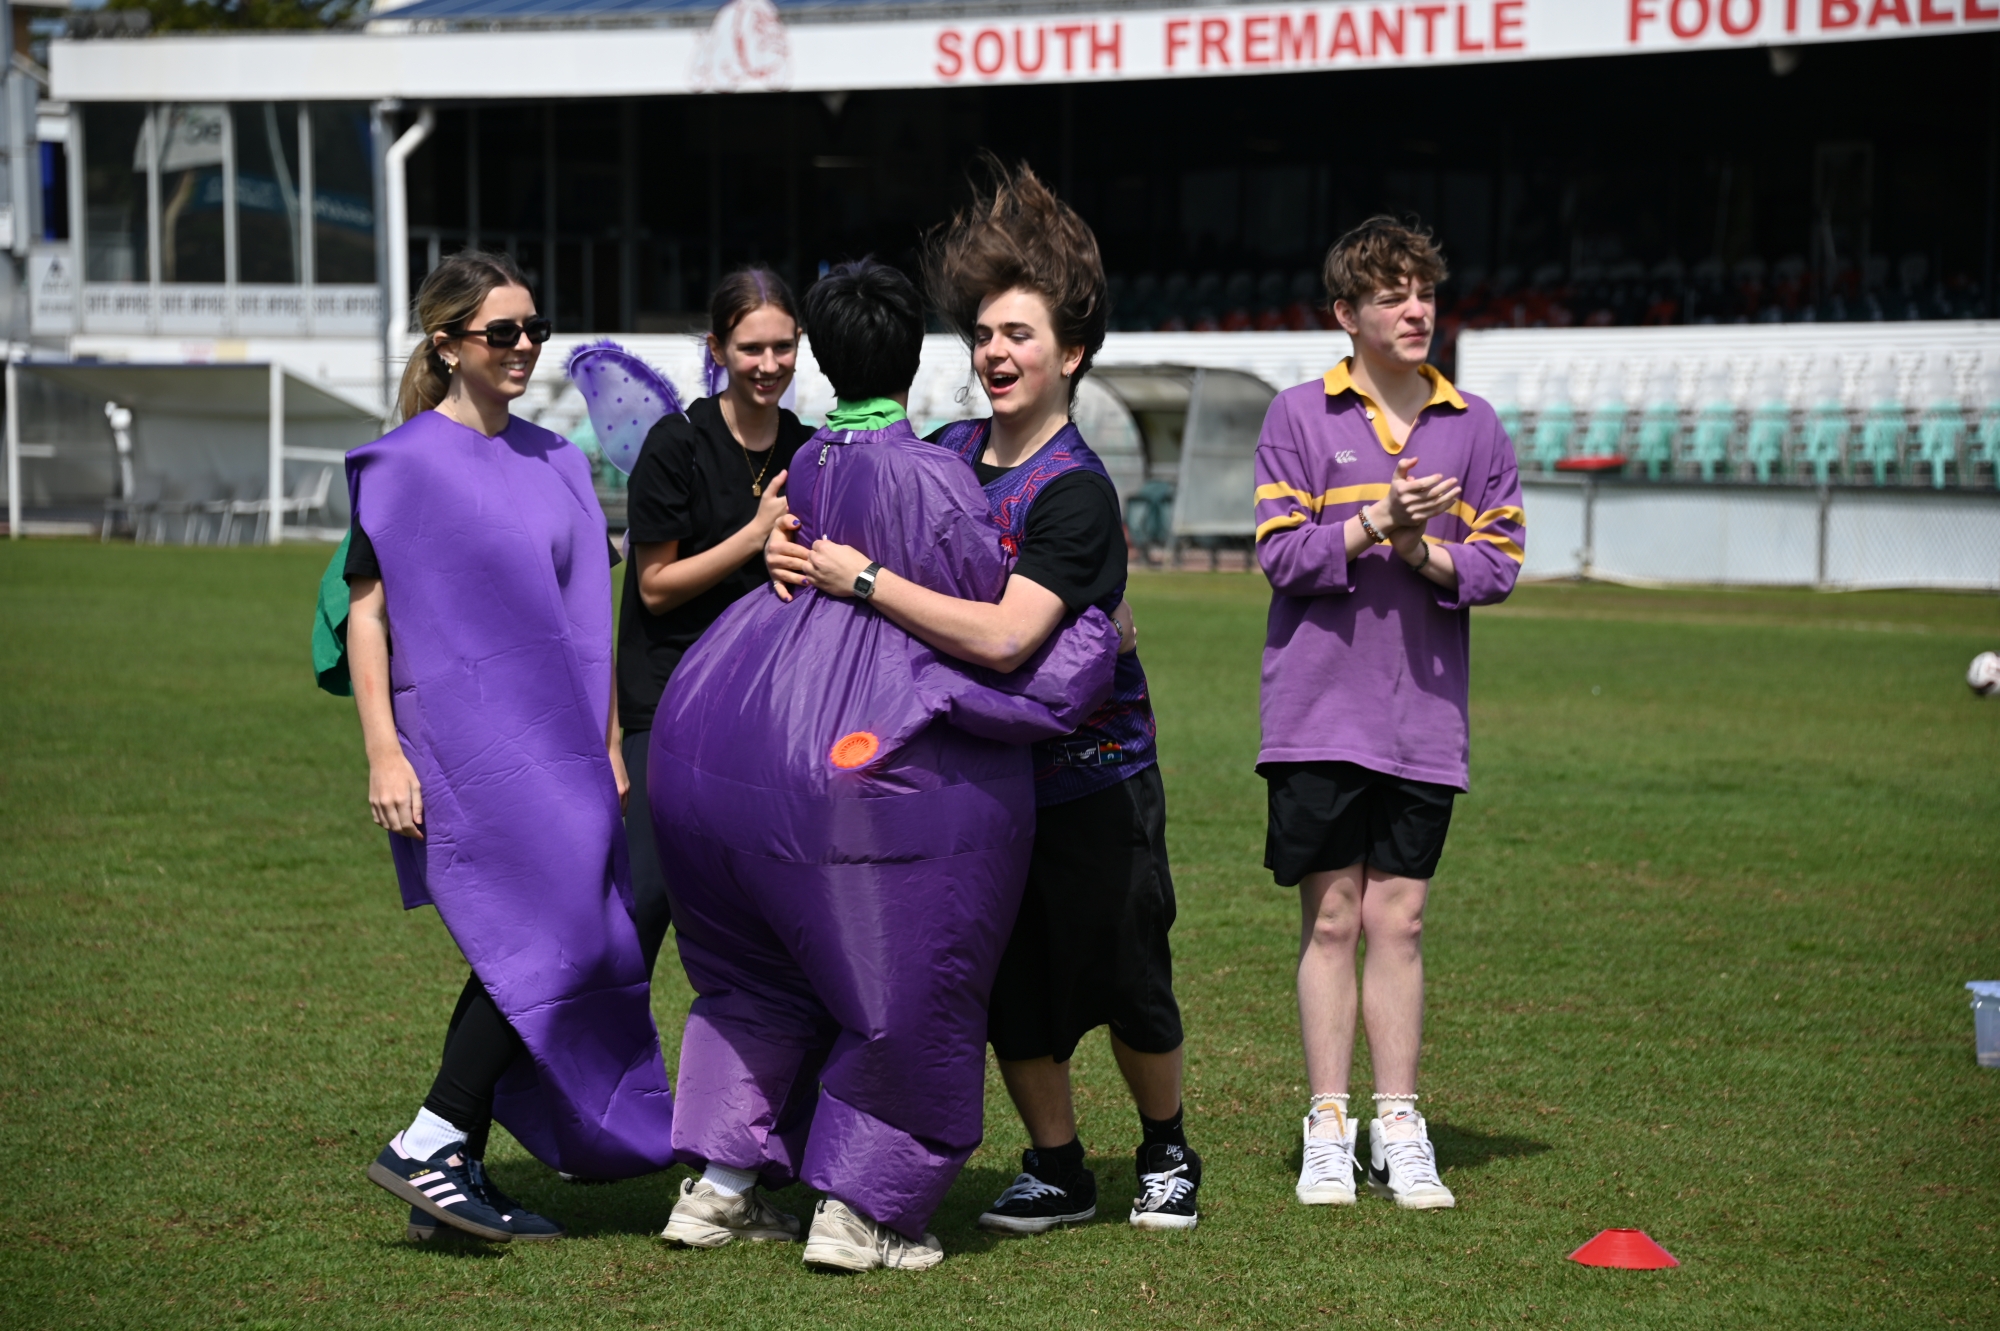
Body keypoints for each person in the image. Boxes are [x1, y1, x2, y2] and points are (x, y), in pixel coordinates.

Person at [650, 259, 1119, 1272]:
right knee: (912, 984)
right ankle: (861, 1207)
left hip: (737, 745)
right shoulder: (934, 476)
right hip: (867, 767)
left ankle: (718, 1184)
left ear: (818, 353)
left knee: (758, 979)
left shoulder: (809, 460)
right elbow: (998, 630)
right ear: (916, 355)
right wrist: (1089, 638)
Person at [772, 163, 1201, 1234]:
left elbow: (1010, 635)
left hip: (1094, 780)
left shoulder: (1075, 491)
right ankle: (1056, 1164)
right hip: (978, 782)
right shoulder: (949, 452)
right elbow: (861, 512)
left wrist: (861, 580)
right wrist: (789, 543)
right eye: (982, 335)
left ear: (1071, 354)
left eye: (1018, 334)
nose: (996, 353)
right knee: (1001, 982)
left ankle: (1164, 1148)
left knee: (1125, 977)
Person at [344, 251, 678, 1244]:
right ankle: (436, 1133)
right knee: (548, 937)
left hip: (564, 750)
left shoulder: (556, 458)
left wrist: (612, 740)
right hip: (461, 753)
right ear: (446, 344)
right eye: (501, 331)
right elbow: (367, 614)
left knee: (544, 938)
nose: (525, 345)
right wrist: (383, 753)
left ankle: (447, 1159)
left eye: (532, 327)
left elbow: (585, 616)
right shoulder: (400, 464)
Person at [1252, 216, 1525, 1210]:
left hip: (1422, 719)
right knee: (1330, 915)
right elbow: (1280, 552)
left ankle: (1397, 1121)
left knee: (1397, 918)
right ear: (1345, 314)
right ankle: (1327, 1122)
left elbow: (1497, 561)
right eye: (1390, 296)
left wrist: (1420, 553)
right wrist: (1376, 521)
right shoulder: (1294, 414)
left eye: (1423, 292)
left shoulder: (1474, 424)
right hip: (1317, 713)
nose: (1415, 311)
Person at [617, 268, 812, 975]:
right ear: (717, 348)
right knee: (643, 898)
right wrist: (755, 537)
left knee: (768, 909)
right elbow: (656, 586)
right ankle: (589, 1068)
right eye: (750, 348)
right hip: (668, 704)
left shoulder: (810, 450)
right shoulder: (676, 444)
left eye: (783, 347)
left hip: (766, 709)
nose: (768, 365)